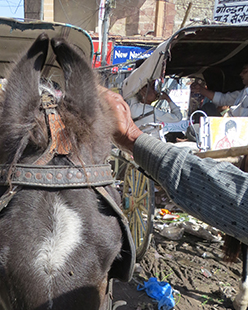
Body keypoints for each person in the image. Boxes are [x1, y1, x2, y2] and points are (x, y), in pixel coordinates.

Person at [102, 90, 248, 246]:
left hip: (143, 151)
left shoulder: (135, 107)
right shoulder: (147, 109)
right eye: (152, 88)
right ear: (143, 91)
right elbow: (177, 116)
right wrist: (168, 100)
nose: (156, 92)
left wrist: (132, 138)